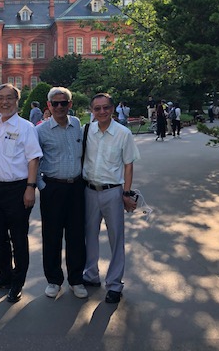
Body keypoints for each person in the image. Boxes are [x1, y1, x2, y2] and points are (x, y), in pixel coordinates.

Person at [0, 83, 42, 304]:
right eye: (0, 98)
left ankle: (18, 281)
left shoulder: (26, 127)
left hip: (18, 189)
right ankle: (4, 275)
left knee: (18, 238)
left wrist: (30, 188)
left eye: (9, 98)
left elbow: (33, 158)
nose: (4, 102)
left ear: (17, 102)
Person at [82, 93, 140, 304]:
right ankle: (90, 274)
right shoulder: (87, 131)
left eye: (106, 108)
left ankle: (115, 284)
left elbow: (128, 164)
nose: (102, 112)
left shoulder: (123, 133)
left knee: (116, 238)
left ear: (112, 109)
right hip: (89, 190)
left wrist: (126, 192)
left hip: (113, 192)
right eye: (97, 109)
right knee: (89, 235)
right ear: (92, 111)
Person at [36, 87, 87, 300]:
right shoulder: (40, 131)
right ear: (48, 106)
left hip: (76, 187)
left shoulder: (77, 126)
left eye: (63, 103)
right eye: (55, 103)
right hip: (53, 188)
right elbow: (33, 160)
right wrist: (41, 185)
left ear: (70, 105)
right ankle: (54, 280)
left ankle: (76, 279)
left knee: (76, 235)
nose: (59, 107)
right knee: (52, 236)